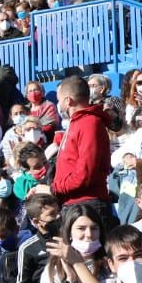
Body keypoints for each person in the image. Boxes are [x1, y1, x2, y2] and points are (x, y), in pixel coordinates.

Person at [52, 75, 111, 207]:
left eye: (59, 100)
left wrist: (54, 188)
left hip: (88, 205)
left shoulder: (89, 123)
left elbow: (84, 174)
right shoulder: (76, 122)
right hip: (72, 202)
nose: (58, 104)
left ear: (68, 101)